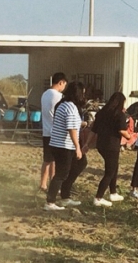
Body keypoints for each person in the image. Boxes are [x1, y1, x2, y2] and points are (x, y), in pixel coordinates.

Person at [45, 81, 87, 211]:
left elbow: (71, 124)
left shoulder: (64, 105)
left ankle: (65, 195)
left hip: (60, 144)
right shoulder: (69, 106)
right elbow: (71, 129)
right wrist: (78, 147)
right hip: (63, 146)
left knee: (80, 164)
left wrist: (82, 124)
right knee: (61, 174)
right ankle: (50, 202)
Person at [92, 92, 130, 206]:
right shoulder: (119, 114)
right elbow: (122, 130)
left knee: (114, 167)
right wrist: (130, 137)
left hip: (101, 145)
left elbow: (94, 129)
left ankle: (113, 193)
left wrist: (86, 144)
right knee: (109, 172)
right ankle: (98, 198)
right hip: (112, 145)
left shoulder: (101, 113)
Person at [39, 73, 67, 191]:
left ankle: (44, 183)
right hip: (55, 132)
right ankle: (51, 183)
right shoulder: (59, 96)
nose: (64, 87)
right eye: (64, 84)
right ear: (60, 82)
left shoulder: (44, 94)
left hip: (46, 130)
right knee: (54, 160)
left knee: (48, 160)